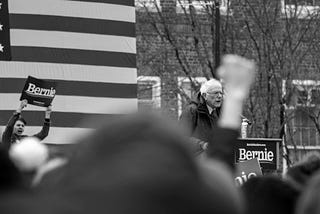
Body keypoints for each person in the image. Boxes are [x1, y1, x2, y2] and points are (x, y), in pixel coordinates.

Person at [179, 78, 223, 155]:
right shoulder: (191, 111)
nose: (219, 96)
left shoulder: (219, 112)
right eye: (215, 93)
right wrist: (202, 145)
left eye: (221, 93)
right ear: (205, 95)